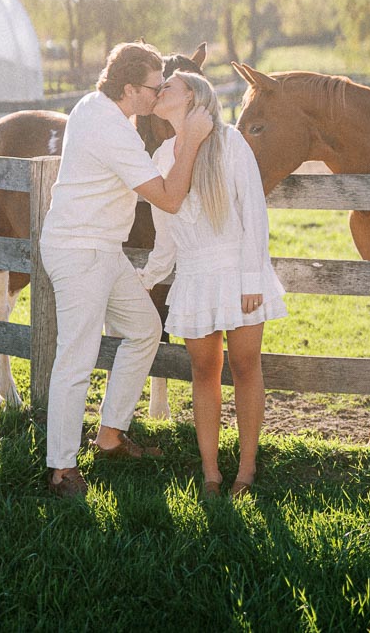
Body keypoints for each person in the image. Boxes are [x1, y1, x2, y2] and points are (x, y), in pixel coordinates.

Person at [40, 42, 213, 498]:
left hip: (102, 249)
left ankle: (110, 435)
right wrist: (192, 141)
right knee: (75, 357)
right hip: (80, 251)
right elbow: (170, 199)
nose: (159, 95)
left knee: (143, 329)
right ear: (130, 88)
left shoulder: (99, 107)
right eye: (155, 88)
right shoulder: (108, 128)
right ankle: (61, 469)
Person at [139, 71, 286, 497]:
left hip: (237, 272)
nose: (160, 89)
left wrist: (253, 277)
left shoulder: (230, 143)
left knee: (245, 367)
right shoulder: (162, 157)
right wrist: (149, 276)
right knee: (203, 371)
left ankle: (246, 468)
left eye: (169, 85)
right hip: (195, 278)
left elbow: (254, 212)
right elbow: (164, 233)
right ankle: (210, 473)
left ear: (193, 96)